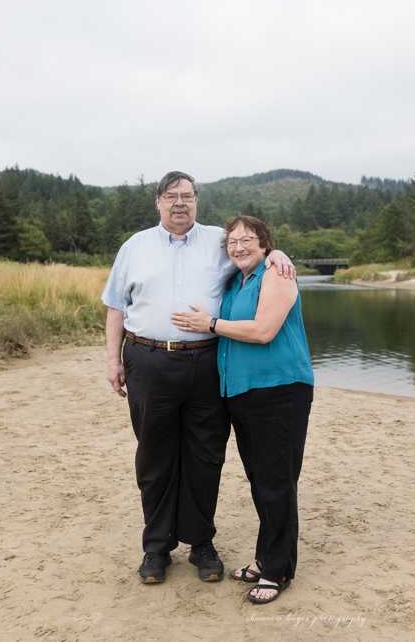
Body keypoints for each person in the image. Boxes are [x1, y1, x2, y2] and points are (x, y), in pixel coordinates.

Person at [101, 171, 294, 585]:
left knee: (205, 456)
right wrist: (113, 359)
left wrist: (278, 253)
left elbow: (252, 255)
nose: (180, 203)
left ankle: (200, 543)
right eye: (171, 196)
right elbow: (116, 305)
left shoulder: (218, 241)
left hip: (207, 363)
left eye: (187, 195)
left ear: (196, 201)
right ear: (158, 202)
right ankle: (156, 547)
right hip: (147, 360)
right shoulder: (135, 246)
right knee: (154, 456)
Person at [171, 215, 314, 604]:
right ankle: (266, 557)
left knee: (277, 482)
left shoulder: (277, 274)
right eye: (232, 242)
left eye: (247, 239)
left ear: (265, 243)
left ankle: (277, 571)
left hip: (280, 390)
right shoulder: (236, 281)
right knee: (260, 481)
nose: (238, 247)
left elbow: (264, 330)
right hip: (242, 393)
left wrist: (210, 324)